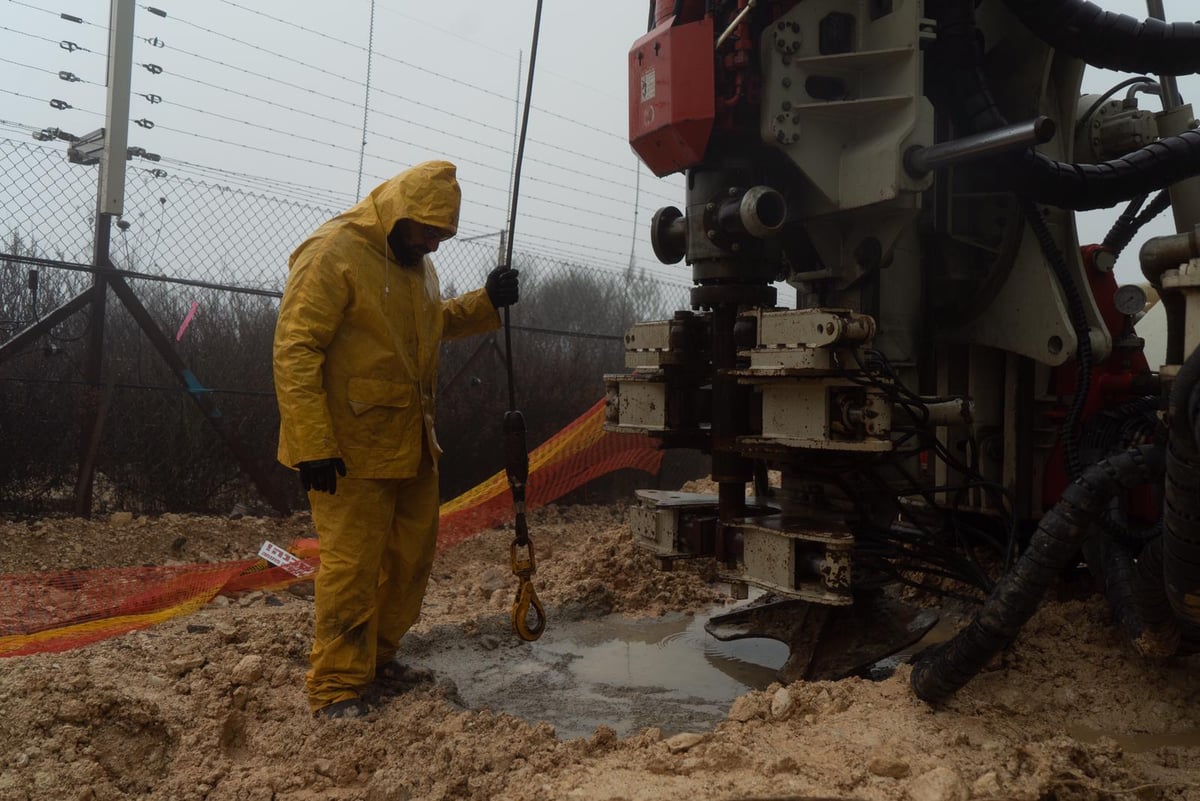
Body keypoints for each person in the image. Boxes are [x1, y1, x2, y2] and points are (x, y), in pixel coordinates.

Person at [272, 160, 519, 719]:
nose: (434, 244)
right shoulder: (333, 251)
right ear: (401, 214)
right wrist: (311, 442)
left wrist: (486, 302)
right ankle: (336, 688)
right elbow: (295, 349)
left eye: (442, 235)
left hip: (409, 444)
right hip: (344, 454)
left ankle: (378, 660)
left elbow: (433, 323)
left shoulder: (414, 264)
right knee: (352, 567)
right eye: (429, 231)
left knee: (410, 561)